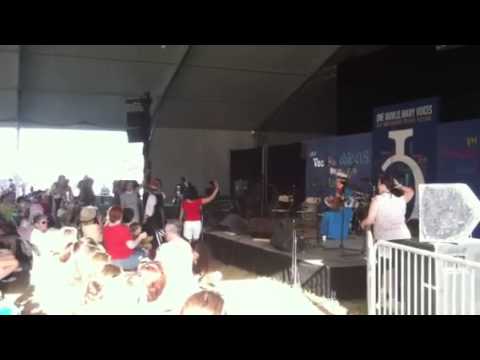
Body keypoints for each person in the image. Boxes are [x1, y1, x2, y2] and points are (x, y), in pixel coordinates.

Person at [155, 222, 199, 311]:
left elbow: (155, 268)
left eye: (165, 232)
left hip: (171, 290)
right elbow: (194, 260)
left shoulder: (164, 248)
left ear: (169, 232)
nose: (164, 234)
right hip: (188, 288)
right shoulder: (187, 244)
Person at [360, 174, 415, 241]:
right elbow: (411, 192)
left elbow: (370, 220)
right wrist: (399, 186)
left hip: (385, 240)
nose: (378, 186)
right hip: (403, 237)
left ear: (383, 185)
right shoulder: (401, 199)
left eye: (379, 184)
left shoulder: (377, 199)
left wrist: (362, 224)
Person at [103, 206, 146, 271]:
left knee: (139, 250)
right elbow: (131, 246)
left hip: (110, 258)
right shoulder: (123, 229)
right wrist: (140, 237)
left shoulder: (105, 227)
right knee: (144, 253)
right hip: (122, 261)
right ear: (121, 216)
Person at [319, 174, 354, 240]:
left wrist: (341, 199)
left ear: (342, 183)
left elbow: (349, 203)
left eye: (338, 181)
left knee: (328, 215)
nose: (336, 183)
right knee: (326, 215)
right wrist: (330, 201)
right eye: (337, 181)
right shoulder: (336, 191)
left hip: (345, 212)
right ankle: (325, 235)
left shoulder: (348, 191)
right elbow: (333, 204)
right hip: (337, 211)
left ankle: (332, 235)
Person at [143, 178, 166, 255]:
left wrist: (145, 219)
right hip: (159, 218)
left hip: (152, 220)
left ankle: (151, 255)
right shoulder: (161, 195)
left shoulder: (151, 196)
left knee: (151, 238)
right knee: (159, 237)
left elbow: (148, 211)